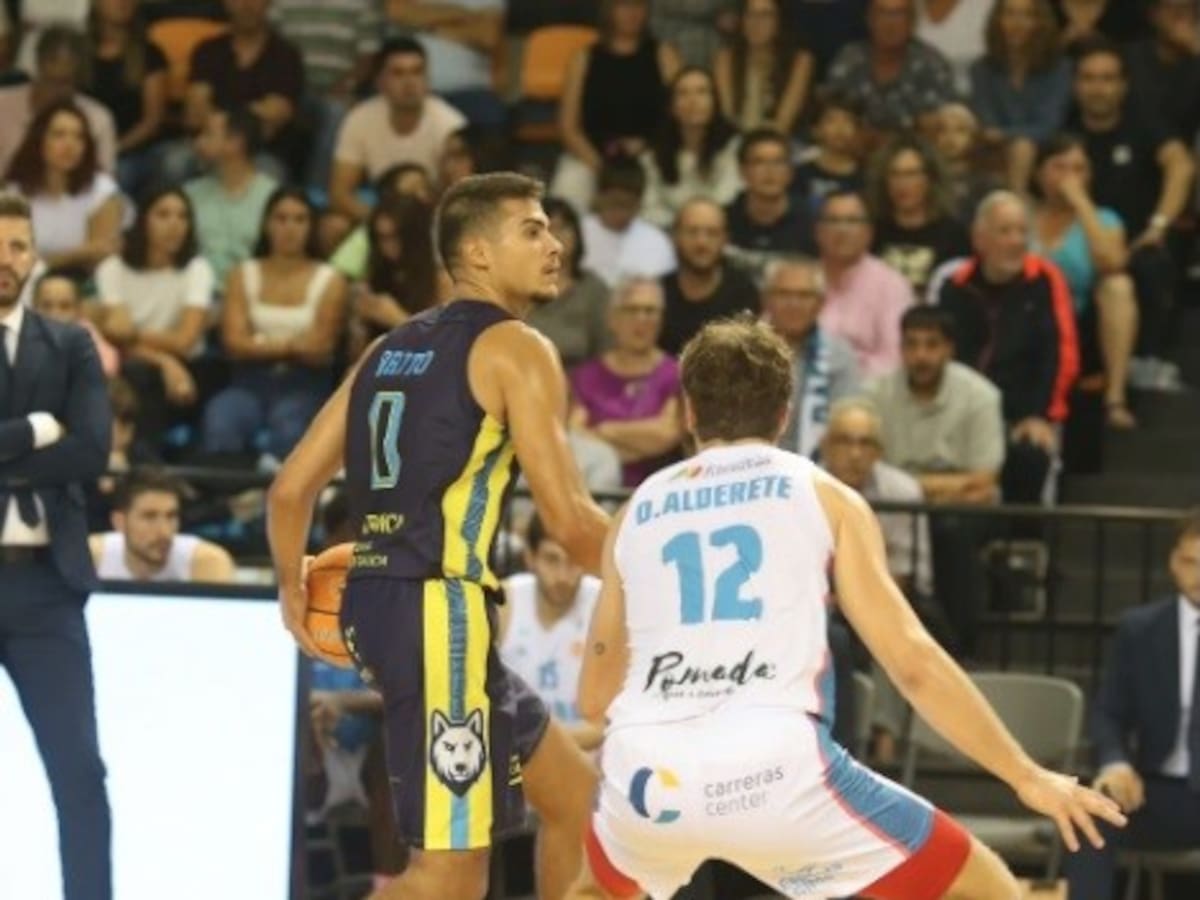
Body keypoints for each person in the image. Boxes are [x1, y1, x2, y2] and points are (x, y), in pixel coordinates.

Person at [568, 316, 1126, 900]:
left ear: (689, 412)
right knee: (984, 889)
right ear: (784, 414)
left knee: (591, 887)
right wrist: (1025, 775)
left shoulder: (634, 511)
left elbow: (595, 698)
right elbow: (911, 662)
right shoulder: (826, 496)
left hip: (648, 774)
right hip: (774, 773)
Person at [266, 172, 611, 900]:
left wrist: (290, 590)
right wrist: (662, 562)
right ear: (478, 253)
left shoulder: (386, 348)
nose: (555, 245)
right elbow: (571, 522)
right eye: (533, 230)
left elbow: (290, 489)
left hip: (381, 603)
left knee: (576, 802)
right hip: (437, 610)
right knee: (451, 877)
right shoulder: (516, 347)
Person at [0, 191, 113, 900]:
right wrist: (39, 430)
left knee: (79, 770)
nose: (4, 260)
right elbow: (66, 445)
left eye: (16, 246)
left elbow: (93, 450)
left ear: (35, 256)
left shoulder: (70, 343)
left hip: (46, 585)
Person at [1066, 509, 1200, 900]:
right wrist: (1116, 763)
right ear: (1173, 562)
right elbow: (1109, 711)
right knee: (1090, 810)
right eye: (1190, 562)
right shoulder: (1140, 629)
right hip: (1159, 791)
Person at [202, 187, 347, 463]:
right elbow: (233, 343)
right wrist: (293, 346)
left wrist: (258, 343)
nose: (290, 228)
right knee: (222, 416)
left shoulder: (331, 279)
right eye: (281, 218)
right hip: (247, 382)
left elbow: (320, 348)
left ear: (311, 226)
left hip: (305, 384)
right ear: (267, 224)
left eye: (299, 219)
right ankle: (231, 488)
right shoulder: (241, 274)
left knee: (290, 425)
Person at [95, 186, 216, 449]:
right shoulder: (112, 269)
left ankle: (144, 457)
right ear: (143, 221)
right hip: (129, 362)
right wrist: (163, 360)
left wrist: (134, 337)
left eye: (182, 216)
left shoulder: (197, 269)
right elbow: (115, 336)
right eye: (163, 215)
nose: (174, 225)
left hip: (191, 367)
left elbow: (184, 340)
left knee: (141, 374)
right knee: (134, 372)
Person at [552, 0, 681, 214]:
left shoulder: (664, 55)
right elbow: (568, 126)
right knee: (566, 199)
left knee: (658, 207)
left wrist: (648, 146)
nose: (632, 12)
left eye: (639, 5)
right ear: (609, 9)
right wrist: (601, 168)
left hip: (650, 154)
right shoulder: (583, 58)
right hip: (591, 157)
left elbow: (678, 115)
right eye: (624, 5)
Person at [330, 37, 466, 223]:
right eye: (398, 73)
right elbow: (339, 193)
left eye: (417, 72)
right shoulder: (359, 118)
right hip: (378, 212)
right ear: (380, 82)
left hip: (432, 216)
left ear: (427, 79)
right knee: (335, 224)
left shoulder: (451, 124)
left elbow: (460, 194)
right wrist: (380, 222)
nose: (410, 82)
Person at [499, 513, 604, 749]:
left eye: (573, 561)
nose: (563, 576)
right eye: (552, 559)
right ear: (530, 556)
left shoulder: (605, 604)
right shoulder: (504, 603)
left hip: (585, 760)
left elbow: (608, 725)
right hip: (518, 760)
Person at [570, 277, 684, 488]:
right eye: (631, 310)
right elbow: (576, 437)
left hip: (661, 489)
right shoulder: (586, 376)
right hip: (596, 490)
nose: (641, 319)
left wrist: (606, 430)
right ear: (612, 318)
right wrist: (640, 441)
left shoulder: (677, 374)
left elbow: (666, 435)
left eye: (650, 311)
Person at [4, 99, 122, 277]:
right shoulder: (14, 194)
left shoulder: (101, 190)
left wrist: (45, 261)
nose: (70, 145)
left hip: (83, 284)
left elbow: (103, 255)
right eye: (59, 135)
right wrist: (78, 253)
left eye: (79, 137)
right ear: (39, 141)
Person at [761, 257, 860, 457]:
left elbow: (846, 425)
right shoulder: (741, 352)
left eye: (804, 295)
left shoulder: (839, 355)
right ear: (766, 300)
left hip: (821, 466)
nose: (794, 304)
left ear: (821, 303)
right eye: (784, 294)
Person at [969, 0, 1071, 191]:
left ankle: (1016, 200)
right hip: (994, 150)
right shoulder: (981, 69)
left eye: (1027, 15)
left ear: (1040, 23)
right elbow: (987, 123)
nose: (1017, 23)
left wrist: (1007, 134)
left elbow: (1049, 125)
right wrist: (1004, 136)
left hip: (1046, 148)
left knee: (1022, 147)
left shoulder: (1059, 68)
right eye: (1010, 14)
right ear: (997, 21)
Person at [825, 0, 956, 140]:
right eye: (882, 13)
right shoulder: (849, 60)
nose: (890, 23)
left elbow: (938, 129)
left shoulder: (932, 65)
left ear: (912, 22)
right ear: (869, 19)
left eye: (898, 14)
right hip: (852, 148)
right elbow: (832, 118)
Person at [815, 190, 913, 376]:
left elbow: (894, 359)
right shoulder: (798, 280)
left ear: (869, 232)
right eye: (833, 221)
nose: (842, 230)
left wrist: (843, 377)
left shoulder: (891, 285)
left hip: (867, 389)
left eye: (852, 221)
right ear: (818, 231)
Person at [0, 25, 118, 177]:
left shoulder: (98, 120)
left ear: (78, 79)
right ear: (38, 68)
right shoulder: (2, 104)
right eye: (50, 80)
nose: (55, 91)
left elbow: (105, 181)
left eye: (64, 82)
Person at [184, 107, 280, 288]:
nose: (198, 142)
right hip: (197, 293)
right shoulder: (190, 193)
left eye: (208, 134)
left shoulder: (273, 198)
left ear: (235, 142)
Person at [866, 133, 970, 298]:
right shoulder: (871, 232)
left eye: (911, 174)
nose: (902, 184)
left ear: (930, 179)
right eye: (895, 174)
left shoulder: (954, 235)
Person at [89, 468, 236, 583]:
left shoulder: (206, 561)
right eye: (149, 517)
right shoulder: (93, 557)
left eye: (171, 516)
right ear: (119, 522)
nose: (164, 531)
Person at [639, 67, 742, 230]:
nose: (693, 101)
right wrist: (683, 227)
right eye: (683, 93)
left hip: (722, 230)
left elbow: (730, 197)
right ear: (671, 106)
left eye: (702, 92)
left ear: (715, 102)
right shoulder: (652, 155)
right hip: (671, 232)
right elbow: (649, 206)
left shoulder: (735, 147)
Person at [85, 0, 168, 196]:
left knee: (118, 175)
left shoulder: (150, 54)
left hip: (135, 150)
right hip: (85, 147)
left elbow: (152, 121)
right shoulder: (79, 53)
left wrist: (114, 148)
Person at [657, 198, 759, 357]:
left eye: (712, 233)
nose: (702, 242)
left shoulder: (744, 294)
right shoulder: (657, 294)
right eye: (692, 232)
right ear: (675, 237)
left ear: (725, 239)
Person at [724, 128, 818, 284]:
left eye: (778, 162)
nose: (770, 171)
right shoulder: (722, 221)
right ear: (742, 171)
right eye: (759, 162)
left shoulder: (814, 223)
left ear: (790, 172)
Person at [526, 197, 610, 370]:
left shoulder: (594, 289)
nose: (556, 237)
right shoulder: (518, 285)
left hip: (581, 383)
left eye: (563, 227)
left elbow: (607, 352)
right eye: (548, 229)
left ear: (577, 235)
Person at [714, 0, 813, 135]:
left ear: (779, 21)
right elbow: (727, 116)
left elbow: (783, 123)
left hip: (780, 141)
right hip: (735, 139)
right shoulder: (725, 58)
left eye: (766, 15)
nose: (756, 22)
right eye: (750, 15)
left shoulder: (800, 60)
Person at [580, 158, 676, 288]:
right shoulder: (579, 234)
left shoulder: (658, 242)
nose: (621, 213)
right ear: (599, 196)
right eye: (615, 203)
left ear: (639, 203)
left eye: (628, 205)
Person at [32, 271, 119, 378]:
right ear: (34, 308)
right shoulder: (28, 331)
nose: (55, 314)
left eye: (65, 307)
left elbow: (109, 362)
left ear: (79, 310)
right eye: (46, 306)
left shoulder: (84, 329)